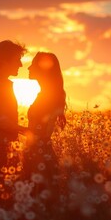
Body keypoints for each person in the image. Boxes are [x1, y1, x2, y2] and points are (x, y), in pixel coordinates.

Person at [0, 40, 28, 194]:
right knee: (4, 195)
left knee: (6, 194)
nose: (20, 65)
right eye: (17, 60)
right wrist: (27, 131)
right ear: (4, 60)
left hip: (4, 147)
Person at [24, 52, 67, 190]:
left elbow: (43, 132)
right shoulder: (46, 93)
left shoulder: (48, 95)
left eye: (32, 64)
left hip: (39, 154)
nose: (28, 68)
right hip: (39, 152)